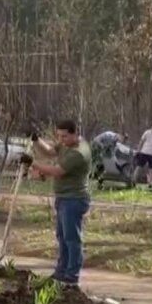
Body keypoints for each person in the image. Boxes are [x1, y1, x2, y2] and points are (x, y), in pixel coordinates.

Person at [27, 120, 92, 289]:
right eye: (59, 136)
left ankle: (72, 275)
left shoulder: (79, 152)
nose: (61, 139)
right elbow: (50, 152)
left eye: (64, 136)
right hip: (63, 198)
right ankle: (61, 271)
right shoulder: (65, 145)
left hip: (74, 199)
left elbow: (57, 171)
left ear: (74, 134)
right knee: (62, 237)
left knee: (72, 238)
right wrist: (36, 140)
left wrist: (32, 163)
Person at [131, 122, 152, 189]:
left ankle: (150, 184)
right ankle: (134, 180)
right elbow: (141, 142)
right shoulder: (147, 133)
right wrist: (138, 151)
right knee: (139, 167)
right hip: (144, 152)